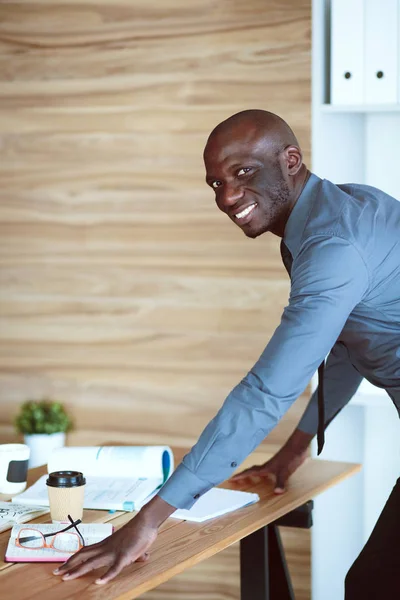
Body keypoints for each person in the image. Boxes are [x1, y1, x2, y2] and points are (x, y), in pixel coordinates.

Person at [54, 110, 400, 598]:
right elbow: (347, 346)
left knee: (375, 585)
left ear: (291, 161)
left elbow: (265, 392)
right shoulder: (343, 208)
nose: (227, 196)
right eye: (215, 183)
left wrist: (150, 520)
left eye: (243, 173)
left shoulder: (332, 245)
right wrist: (292, 453)